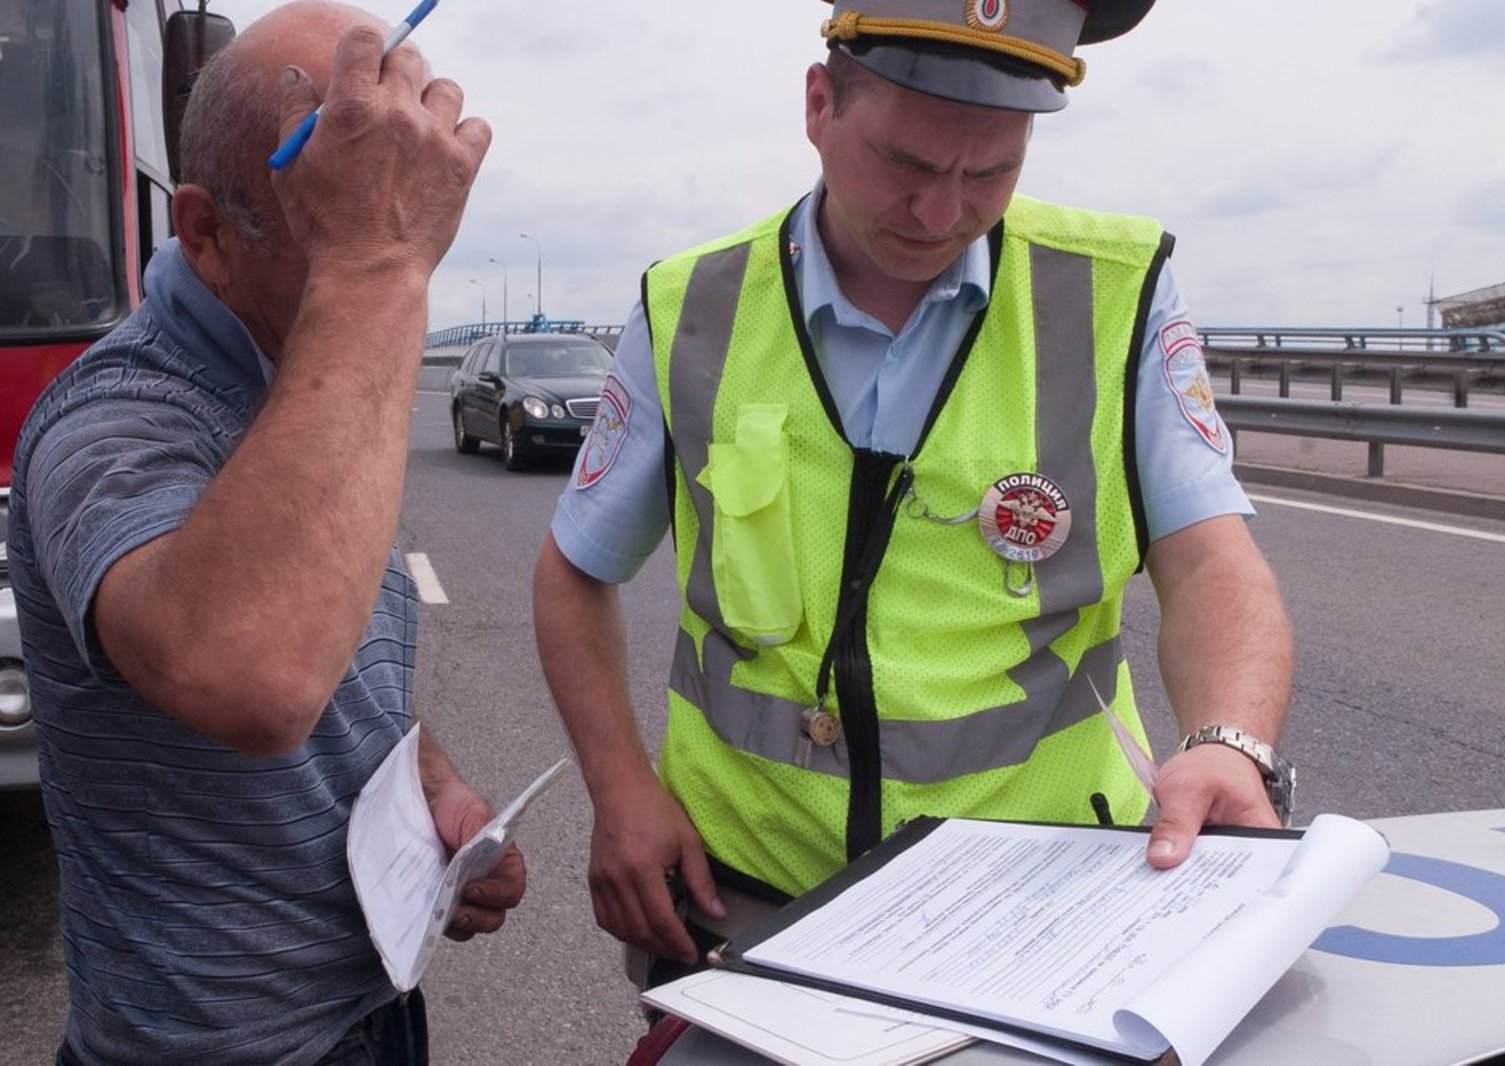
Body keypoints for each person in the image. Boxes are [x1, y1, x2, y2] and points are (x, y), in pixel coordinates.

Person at [533, 0, 1296, 981]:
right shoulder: (690, 307)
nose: (942, 213)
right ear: (819, 105)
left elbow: (1210, 564)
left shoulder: (1114, 289)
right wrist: (618, 789)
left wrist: (1230, 741)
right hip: (749, 900)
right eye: (907, 164)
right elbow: (572, 572)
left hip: (1039, 908)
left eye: (991, 172)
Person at [6, 2, 523, 1061]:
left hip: (371, 1010)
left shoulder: (315, 373)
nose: (390, 224)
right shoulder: (109, 421)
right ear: (204, 232)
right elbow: (256, 672)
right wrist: (379, 273)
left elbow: (333, 657)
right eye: (339, 198)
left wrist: (435, 792)